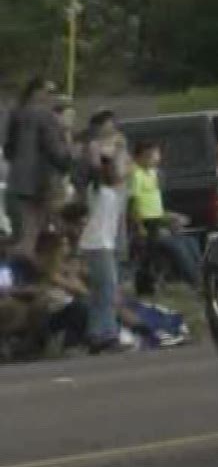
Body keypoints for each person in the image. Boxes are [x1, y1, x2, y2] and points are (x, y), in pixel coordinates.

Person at [4, 77, 76, 258]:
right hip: (42, 184)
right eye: (49, 91)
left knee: (23, 233)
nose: (52, 96)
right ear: (36, 92)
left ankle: (14, 274)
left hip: (18, 183)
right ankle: (35, 276)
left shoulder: (15, 113)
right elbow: (56, 151)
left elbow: (8, 149)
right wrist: (69, 158)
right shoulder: (46, 116)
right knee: (44, 235)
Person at [76, 145, 133, 354]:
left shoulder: (99, 190)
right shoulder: (102, 191)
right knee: (106, 291)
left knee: (101, 291)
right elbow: (121, 177)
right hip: (99, 245)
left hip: (98, 244)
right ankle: (104, 334)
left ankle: (97, 333)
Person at [128, 141, 200, 292]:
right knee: (175, 247)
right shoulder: (135, 174)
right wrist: (138, 226)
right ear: (139, 157)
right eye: (150, 155)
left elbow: (154, 205)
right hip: (145, 222)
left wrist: (171, 217)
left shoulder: (153, 173)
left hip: (157, 219)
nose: (155, 159)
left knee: (190, 241)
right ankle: (194, 282)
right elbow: (133, 203)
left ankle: (201, 276)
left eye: (156, 155)